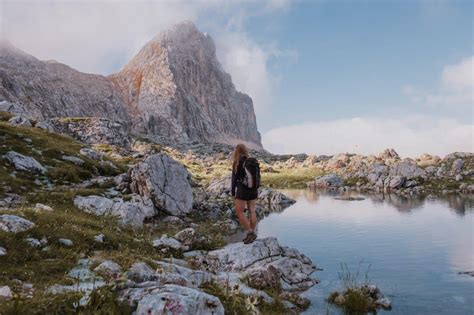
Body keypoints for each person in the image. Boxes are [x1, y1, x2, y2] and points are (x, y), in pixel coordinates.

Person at [231, 143, 259, 244]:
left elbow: (234, 180)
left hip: (242, 190)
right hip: (253, 190)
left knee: (239, 212)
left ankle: (250, 232)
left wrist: (233, 192)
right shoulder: (252, 162)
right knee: (252, 211)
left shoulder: (237, 162)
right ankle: (251, 234)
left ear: (236, 151)